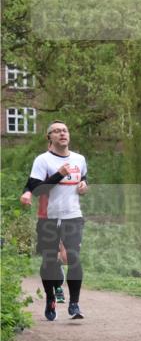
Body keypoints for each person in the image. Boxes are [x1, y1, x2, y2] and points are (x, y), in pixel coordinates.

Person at [20, 121, 89, 321]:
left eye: (65, 130)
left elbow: (83, 178)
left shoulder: (79, 159)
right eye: (57, 131)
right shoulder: (43, 160)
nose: (62, 134)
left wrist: (84, 185)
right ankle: (51, 297)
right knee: (49, 262)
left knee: (74, 257)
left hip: (73, 216)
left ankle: (74, 304)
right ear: (49, 137)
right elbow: (38, 190)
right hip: (48, 218)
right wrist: (59, 174)